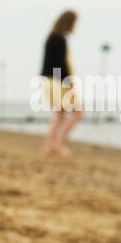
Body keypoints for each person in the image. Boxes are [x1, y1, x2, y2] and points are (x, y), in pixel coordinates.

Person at [41, 10, 82, 156]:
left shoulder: (52, 37)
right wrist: (69, 83)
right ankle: (57, 144)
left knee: (60, 114)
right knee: (78, 111)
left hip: (48, 79)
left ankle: (50, 145)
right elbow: (60, 64)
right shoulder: (59, 38)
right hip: (57, 80)